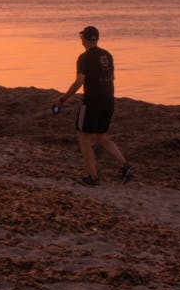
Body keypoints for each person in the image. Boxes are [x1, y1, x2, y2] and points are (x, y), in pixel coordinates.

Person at [54, 25, 132, 186]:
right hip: (109, 100)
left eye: (81, 36)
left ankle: (92, 177)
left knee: (84, 138)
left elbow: (79, 81)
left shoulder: (84, 58)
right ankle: (125, 166)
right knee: (101, 137)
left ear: (85, 39)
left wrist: (63, 99)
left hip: (92, 102)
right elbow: (111, 77)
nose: (80, 38)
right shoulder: (107, 55)